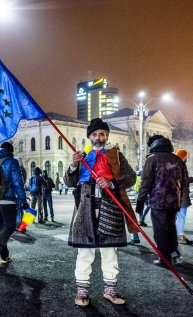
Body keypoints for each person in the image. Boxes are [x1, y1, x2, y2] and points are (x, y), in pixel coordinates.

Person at [65, 118, 135, 306]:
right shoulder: (82, 158)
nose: (98, 137)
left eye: (102, 134)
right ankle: (82, 292)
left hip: (109, 209)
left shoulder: (116, 156)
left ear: (107, 136)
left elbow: (131, 178)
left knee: (109, 252)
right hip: (85, 210)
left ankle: (110, 290)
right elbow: (69, 183)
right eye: (94, 134)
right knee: (85, 253)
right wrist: (72, 166)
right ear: (89, 137)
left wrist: (112, 183)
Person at [136, 136, 188, 268]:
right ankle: (172, 253)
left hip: (158, 201)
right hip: (174, 201)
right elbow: (184, 181)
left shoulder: (152, 159)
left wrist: (140, 200)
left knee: (160, 230)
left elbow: (146, 181)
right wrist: (180, 199)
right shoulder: (178, 159)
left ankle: (164, 258)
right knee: (171, 228)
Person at [0, 142, 29, 265]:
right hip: (8, 199)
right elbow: (18, 183)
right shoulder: (12, 161)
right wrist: (23, 200)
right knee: (10, 225)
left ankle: (4, 256)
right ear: (10, 151)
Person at [175, 149, 193, 245]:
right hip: (181, 195)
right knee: (181, 216)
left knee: (174, 216)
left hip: (174, 195)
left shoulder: (173, 164)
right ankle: (180, 236)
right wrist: (192, 179)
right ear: (184, 156)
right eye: (186, 156)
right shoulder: (181, 165)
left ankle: (174, 235)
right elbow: (183, 180)